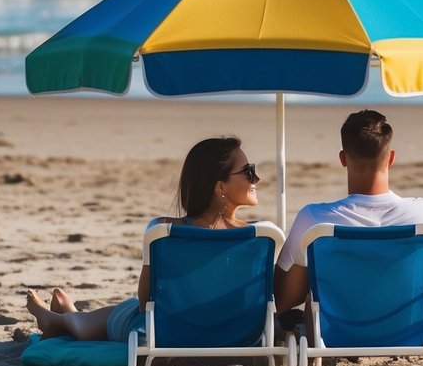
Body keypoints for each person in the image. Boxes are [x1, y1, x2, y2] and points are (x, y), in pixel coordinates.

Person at [25, 136, 262, 342]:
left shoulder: (164, 231)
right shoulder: (260, 236)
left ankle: (66, 321)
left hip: (173, 330)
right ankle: (68, 316)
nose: (256, 179)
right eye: (248, 171)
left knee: (132, 310)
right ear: (220, 186)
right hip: (236, 331)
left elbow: (144, 300)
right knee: (133, 309)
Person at [274, 109, 423, 332]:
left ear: (343, 159)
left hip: (337, 333)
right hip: (411, 332)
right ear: (391, 158)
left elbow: (282, 299)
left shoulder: (314, 219)